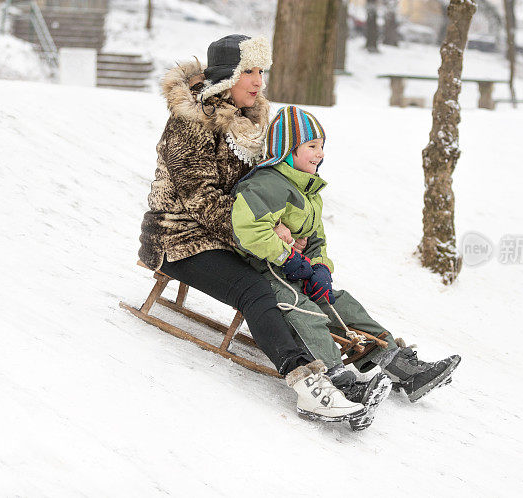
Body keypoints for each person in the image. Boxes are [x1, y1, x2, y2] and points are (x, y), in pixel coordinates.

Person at [137, 36, 370, 425]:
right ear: (227, 77)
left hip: (232, 237)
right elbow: (199, 196)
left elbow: (264, 188)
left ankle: (345, 368)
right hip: (179, 239)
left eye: (261, 71)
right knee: (256, 290)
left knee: (287, 283)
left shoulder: (251, 121)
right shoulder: (188, 122)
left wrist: (289, 231)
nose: (259, 81)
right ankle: (306, 384)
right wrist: (262, 233)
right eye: (249, 70)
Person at [231, 105, 461, 406]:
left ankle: (402, 367)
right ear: (288, 150)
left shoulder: (307, 191)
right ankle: (335, 378)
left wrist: (320, 268)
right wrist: (289, 259)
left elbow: (316, 240)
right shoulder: (267, 184)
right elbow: (247, 229)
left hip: (294, 271)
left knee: (343, 304)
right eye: (312, 146)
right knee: (304, 310)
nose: (320, 153)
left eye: (322, 146)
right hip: (265, 272)